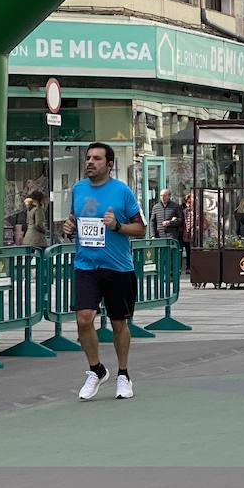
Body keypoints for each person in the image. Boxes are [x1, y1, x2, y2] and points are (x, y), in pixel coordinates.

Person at [60, 142, 145, 401]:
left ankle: (123, 374)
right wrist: (69, 228)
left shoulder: (122, 192)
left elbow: (140, 229)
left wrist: (117, 225)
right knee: (83, 319)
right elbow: (75, 220)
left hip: (117, 266)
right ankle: (96, 370)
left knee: (119, 323)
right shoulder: (78, 189)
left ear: (109, 165)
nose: (90, 162)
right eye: (88, 158)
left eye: (96, 158)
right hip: (86, 266)